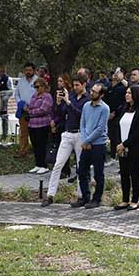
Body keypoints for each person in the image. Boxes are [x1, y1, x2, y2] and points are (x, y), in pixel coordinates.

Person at [42, 74, 89, 207]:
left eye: (77, 85)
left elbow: (81, 114)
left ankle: (81, 195)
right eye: (74, 85)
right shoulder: (72, 96)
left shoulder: (87, 99)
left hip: (80, 134)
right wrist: (58, 103)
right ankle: (50, 195)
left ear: (84, 84)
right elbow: (61, 114)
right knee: (58, 163)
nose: (75, 88)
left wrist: (68, 103)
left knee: (81, 166)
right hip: (67, 133)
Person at [71, 83, 110, 209]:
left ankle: (96, 199)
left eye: (95, 92)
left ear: (101, 95)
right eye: (92, 91)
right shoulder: (86, 105)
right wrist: (85, 139)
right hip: (86, 144)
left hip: (98, 144)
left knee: (98, 173)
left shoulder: (104, 108)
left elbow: (100, 128)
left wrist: (87, 141)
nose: (92, 93)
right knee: (82, 171)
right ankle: (85, 197)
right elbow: (82, 123)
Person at [114, 86, 139, 211]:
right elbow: (118, 126)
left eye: (129, 93)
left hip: (134, 147)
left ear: (136, 94)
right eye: (126, 93)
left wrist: (125, 144)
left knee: (134, 173)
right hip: (122, 148)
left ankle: (135, 200)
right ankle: (125, 199)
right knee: (124, 174)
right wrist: (119, 143)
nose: (127, 95)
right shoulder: (124, 109)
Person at [27, 77, 53, 174]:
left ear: (43, 86)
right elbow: (30, 106)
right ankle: (38, 164)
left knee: (42, 145)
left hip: (42, 124)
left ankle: (44, 165)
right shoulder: (34, 96)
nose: (36, 89)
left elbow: (43, 110)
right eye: (35, 87)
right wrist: (32, 110)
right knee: (35, 145)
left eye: (38, 87)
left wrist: (31, 111)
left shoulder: (47, 97)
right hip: (32, 124)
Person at [51, 74, 73, 177]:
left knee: (66, 147)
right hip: (59, 123)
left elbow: (67, 111)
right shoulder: (57, 94)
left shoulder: (70, 94)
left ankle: (66, 169)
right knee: (60, 146)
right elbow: (56, 110)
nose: (59, 83)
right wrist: (58, 103)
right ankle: (61, 168)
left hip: (67, 123)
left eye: (61, 81)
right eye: (58, 81)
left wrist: (64, 101)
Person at [14, 62, 37, 157]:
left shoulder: (37, 80)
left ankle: (36, 150)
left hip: (35, 110)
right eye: (26, 70)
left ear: (33, 70)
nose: (28, 72)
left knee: (35, 132)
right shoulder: (21, 81)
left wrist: (32, 105)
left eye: (30, 70)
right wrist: (21, 104)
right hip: (23, 110)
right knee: (23, 132)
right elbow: (16, 94)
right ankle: (23, 150)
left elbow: (40, 94)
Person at [104, 68, 127, 161]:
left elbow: (123, 102)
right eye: (114, 73)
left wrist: (115, 112)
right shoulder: (109, 87)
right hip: (109, 114)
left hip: (119, 114)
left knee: (118, 135)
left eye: (118, 73)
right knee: (112, 136)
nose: (116, 75)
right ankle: (112, 156)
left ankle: (120, 155)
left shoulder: (123, 87)